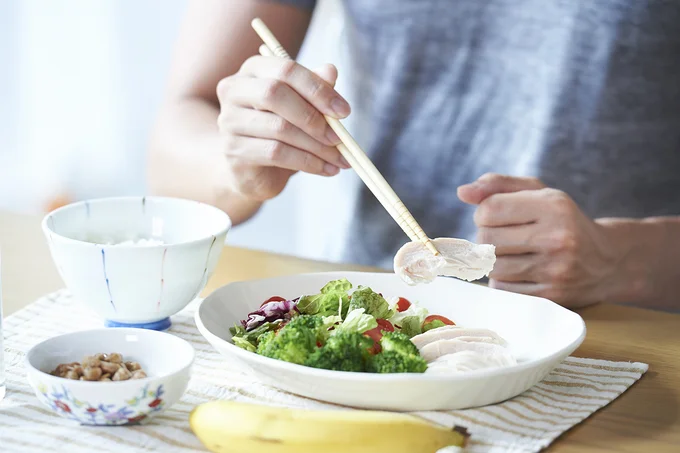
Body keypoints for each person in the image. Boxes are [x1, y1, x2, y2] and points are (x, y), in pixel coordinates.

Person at [148, 0, 680, 311]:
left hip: (627, 329)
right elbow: (171, 154)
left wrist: (622, 259)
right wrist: (235, 162)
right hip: (373, 307)